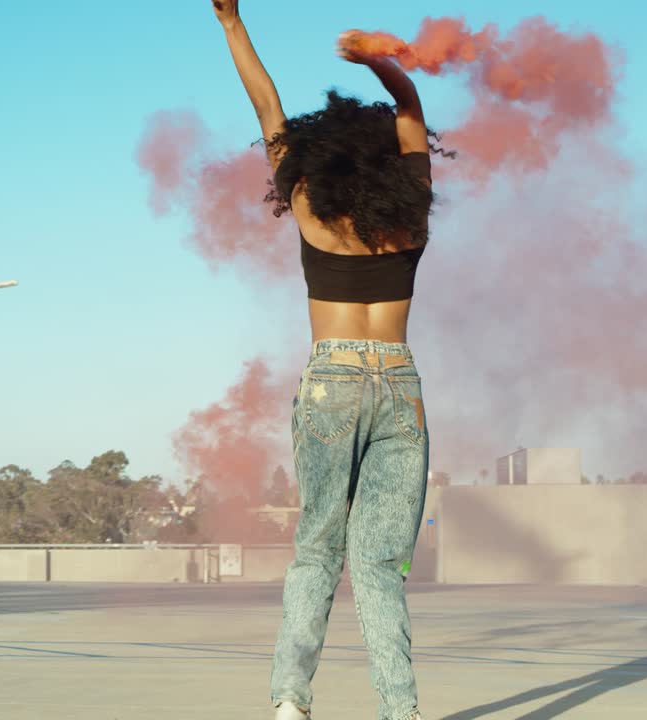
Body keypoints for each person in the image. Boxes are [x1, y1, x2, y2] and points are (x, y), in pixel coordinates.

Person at [212, 2, 446, 719]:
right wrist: (381, 59)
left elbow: (267, 104)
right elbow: (408, 102)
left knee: (317, 549)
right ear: (384, 160)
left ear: (323, 154)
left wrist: (230, 21)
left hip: (332, 380)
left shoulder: (309, 201)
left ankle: (290, 702)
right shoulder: (412, 213)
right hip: (400, 384)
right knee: (380, 569)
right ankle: (401, 712)